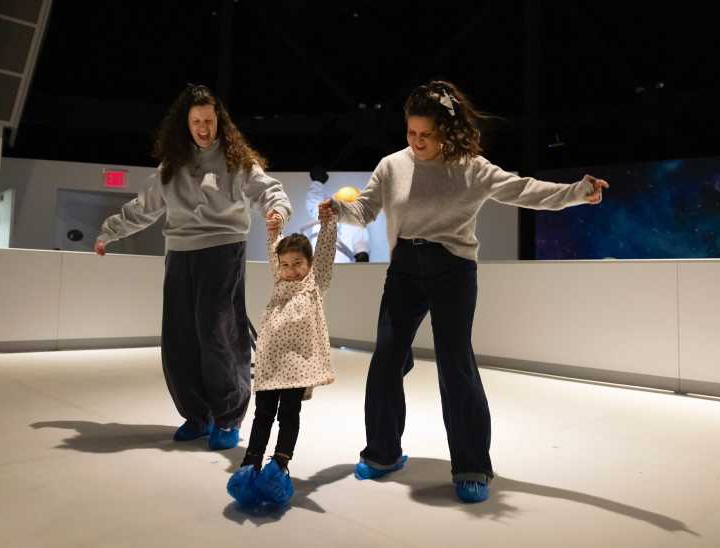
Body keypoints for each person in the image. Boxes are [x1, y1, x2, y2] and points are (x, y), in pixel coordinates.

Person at [319, 80, 609, 503]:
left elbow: (524, 189)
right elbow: (364, 210)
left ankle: (472, 465)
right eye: (411, 133)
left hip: (452, 270)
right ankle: (383, 453)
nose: (416, 142)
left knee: (455, 365)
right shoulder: (391, 165)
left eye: (426, 135)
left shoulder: (472, 169)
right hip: (403, 271)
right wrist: (338, 210)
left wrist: (577, 193)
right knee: (384, 360)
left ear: (446, 131)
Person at [95, 84, 292, 451]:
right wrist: (110, 232)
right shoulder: (172, 166)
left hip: (222, 250)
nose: (204, 129)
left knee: (217, 332)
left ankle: (228, 416)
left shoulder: (237, 161)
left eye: (209, 121)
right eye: (197, 122)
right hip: (180, 253)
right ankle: (196, 414)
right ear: (185, 124)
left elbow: (269, 189)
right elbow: (143, 207)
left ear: (220, 122)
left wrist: (276, 209)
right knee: (179, 338)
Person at [227, 203, 338, 508]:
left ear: (310, 264)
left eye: (298, 263)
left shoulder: (315, 283)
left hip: (296, 368)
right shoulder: (280, 282)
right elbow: (274, 248)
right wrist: (273, 231)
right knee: (262, 414)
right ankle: (251, 464)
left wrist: (328, 224)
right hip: (269, 363)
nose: (291, 270)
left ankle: (280, 464)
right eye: (285, 265)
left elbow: (326, 252)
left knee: (288, 415)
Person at [304, 166, 370, 262]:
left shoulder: (356, 225)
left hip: (341, 268)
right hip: (317, 265)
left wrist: (362, 254)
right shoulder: (324, 214)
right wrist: (317, 182)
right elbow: (313, 201)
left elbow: (361, 245)